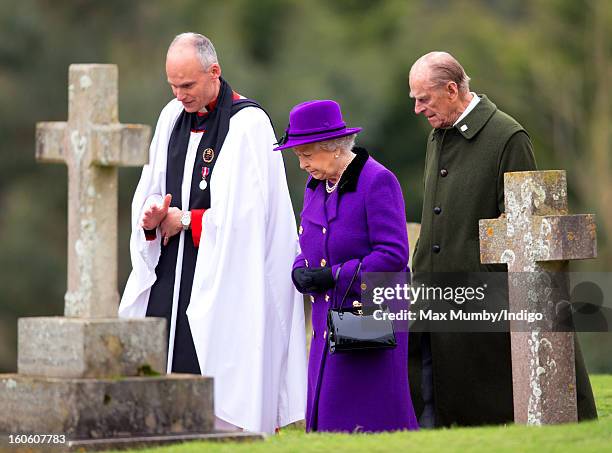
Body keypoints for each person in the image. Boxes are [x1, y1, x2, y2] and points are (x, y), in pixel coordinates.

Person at [118, 32, 307, 434]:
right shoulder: (171, 117)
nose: (179, 94)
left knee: (213, 382)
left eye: (187, 85)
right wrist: (152, 217)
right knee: (157, 373)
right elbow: (151, 186)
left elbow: (247, 221)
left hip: (222, 279)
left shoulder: (248, 124)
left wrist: (185, 220)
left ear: (214, 72)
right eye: (173, 85)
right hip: (171, 269)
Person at [407, 51, 597, 427]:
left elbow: (527, 227)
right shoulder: (438, 135)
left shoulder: (507, 136)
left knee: (487, 412)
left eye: (423, 98)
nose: (417, 108)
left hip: (483, 310)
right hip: (434, 300)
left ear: (451, 89)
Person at [274, 99, 419, 433]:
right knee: (326, 418)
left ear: (334, 148)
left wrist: (335, 275)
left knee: (366, 419)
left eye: (306, 155)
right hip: (327, 322)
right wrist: (301, 268)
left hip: (368, 318)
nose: (302, 165)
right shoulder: (316, 186)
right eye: (298, 157)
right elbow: (309, 241)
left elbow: (393, 254)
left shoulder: (377, 181)